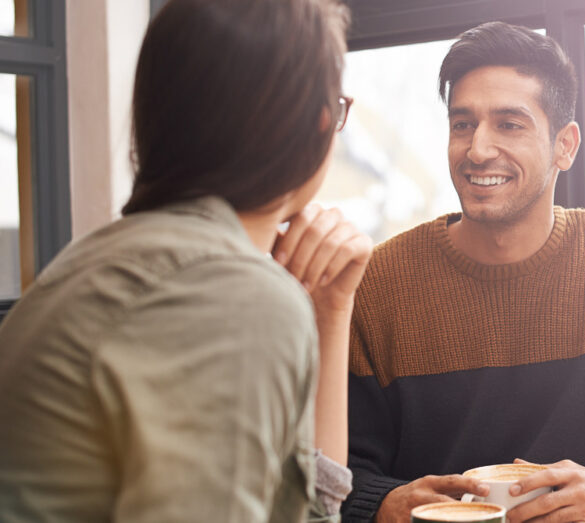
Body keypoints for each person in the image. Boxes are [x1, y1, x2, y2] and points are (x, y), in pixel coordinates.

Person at [336, 21, 585, 523]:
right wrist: (379, 502)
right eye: (462, 124)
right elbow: (331, 462)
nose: (478, 149)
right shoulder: (380, 282)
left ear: (565, 146)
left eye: (509, 124)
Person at [0, 0, 370, 521]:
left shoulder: (105, 258)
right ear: (320, 121)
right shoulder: (226, 292)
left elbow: (305, 510)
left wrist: (331, 309)